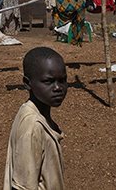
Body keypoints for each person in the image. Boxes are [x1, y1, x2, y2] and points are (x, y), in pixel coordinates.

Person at [4, 47, 68, 190]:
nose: (58, 88)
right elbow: (23, 186)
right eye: (48, 81)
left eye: (62, 80)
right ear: (27, 83)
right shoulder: (32, 126)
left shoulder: (33, 112)